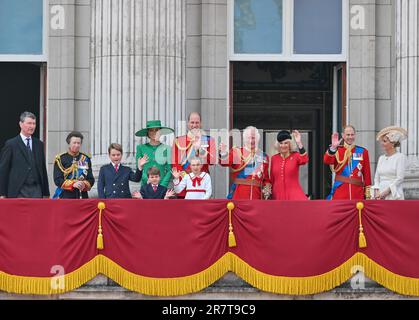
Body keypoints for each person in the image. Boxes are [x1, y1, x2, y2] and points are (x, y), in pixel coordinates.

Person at [0, 111, 50, 198]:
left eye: (34, 123)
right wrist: (2, 193)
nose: (32, 126)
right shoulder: (11, 144)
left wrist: (46, 193)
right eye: (29, 123)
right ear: (21, 124)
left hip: (36, 189)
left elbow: (42, 169)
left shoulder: (39, 144)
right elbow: (4, 170)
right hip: (18, 190)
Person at [172, 112, 216, 198]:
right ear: (188, 123)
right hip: (185, 185)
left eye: (197, 122)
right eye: (192, 122)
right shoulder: (178, 140)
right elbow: (175, 163)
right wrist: (186, 177)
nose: (194, 125)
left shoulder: (209, 140)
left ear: (201, 123)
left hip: (202, 184)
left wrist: (200, 150)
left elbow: (212, 161)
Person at [219, 126, 271, 200]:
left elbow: (265, 178)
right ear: (244, 139)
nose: (251, 141)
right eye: (248, 138)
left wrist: (267, 188)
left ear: (258, 139)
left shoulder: (264, 156)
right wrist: (223, 152)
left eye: (253, 138)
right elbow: (224, 162)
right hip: (239, 194)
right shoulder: (237, 152)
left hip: (257, 196)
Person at [323, 125, 372, 200]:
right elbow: (327, 161)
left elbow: (367, 174)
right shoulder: (337, 150)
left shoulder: (363, 151)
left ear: (355, 135)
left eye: (352, 135)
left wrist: (368, 193)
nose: (350, 137)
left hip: (357, 193)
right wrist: (333, 148)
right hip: (340, 192)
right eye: (348, 135)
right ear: (343, 135)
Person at [53, 131, 95, 199]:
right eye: (74, 143)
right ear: (69, 143)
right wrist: (73, 184)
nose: (77, 145)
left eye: (78, 143)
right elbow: (57, 180)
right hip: (65, 196)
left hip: (82, 196)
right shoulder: (60, 159)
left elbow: (91, 179)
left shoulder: (85, 158)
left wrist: (84, 184)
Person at [270, 130, 309, 200]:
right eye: (281, 143)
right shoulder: (274, 158)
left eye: (286, 143)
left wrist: (299, 143)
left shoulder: (295, 155)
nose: (283, 145)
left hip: (294, 194)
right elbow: (272, 179)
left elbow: (304, 160)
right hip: (277, 195)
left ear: (290, 144)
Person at [135, 120, 174, 188]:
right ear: (148, 132)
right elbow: (139, 167)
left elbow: (169, 170)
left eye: (157, 130)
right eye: (151, 130)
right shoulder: (141, 148)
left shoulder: (167, 148)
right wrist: (148, 181)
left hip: (162, 186)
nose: (154, 132)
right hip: (146, 186)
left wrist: (162, 185)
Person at [373, 126, 408, 200]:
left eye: (385, 141)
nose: (382, 143)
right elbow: (376, 178)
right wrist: (377, 191)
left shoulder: (400, 157)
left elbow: (400, 178)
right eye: (382, 141)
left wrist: (386, 192)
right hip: (380, 195)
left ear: (393, 143)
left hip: (394, 194)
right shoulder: (381, 158)